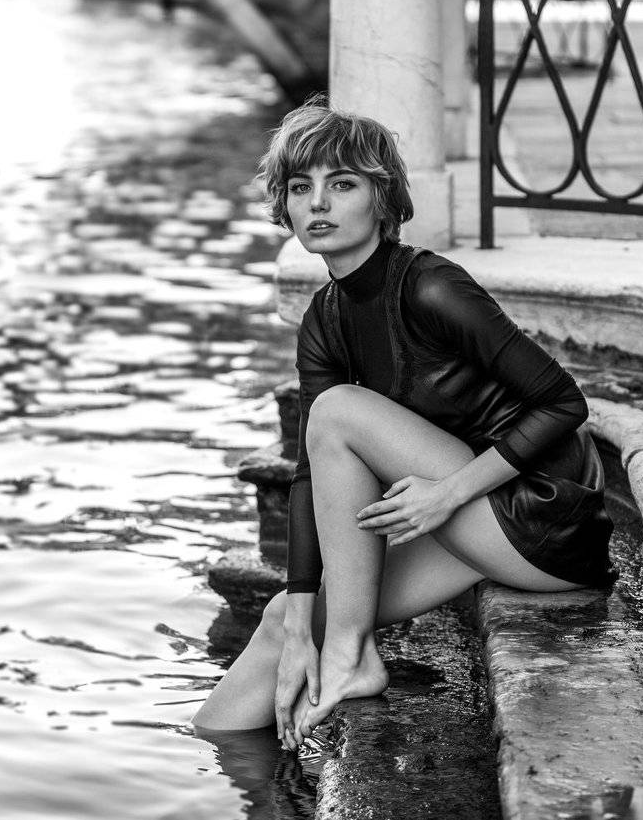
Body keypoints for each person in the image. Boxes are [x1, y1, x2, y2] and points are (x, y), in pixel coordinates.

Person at [193, 97, 615, 748]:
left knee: (336, 411)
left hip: (544, 515)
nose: (318, 202)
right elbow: (308, 476)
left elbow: (563, 403)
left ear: (381, 196)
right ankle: (223, 761)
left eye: (342, 184)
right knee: (282, 618)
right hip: (473, 520)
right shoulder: (325, 317)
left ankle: (352, 654)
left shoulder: (430, 286)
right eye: (301, 187)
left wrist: (447, 493)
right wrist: (302, 616)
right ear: (285, 206)